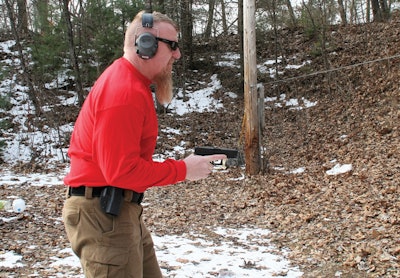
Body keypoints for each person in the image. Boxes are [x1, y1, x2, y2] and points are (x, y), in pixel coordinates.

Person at [62, 10, 226, 278]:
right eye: (172, 46)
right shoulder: (123, 92)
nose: (177, 55)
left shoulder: (131, 84)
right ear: (145, 45)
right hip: (104, 215)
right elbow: (121, 171)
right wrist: (182, 170)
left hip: (116, 211)